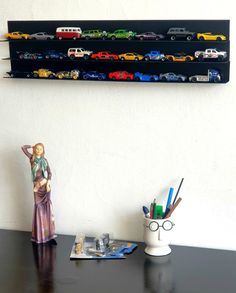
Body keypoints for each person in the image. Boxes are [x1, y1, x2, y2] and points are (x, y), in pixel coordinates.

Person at [22, 143, 57, 244]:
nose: (38, 150)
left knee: (46, 208)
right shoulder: (32, 158)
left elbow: (49, 173)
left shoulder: (44, 161)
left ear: (43, 150)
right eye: (36, 149)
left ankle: (48, 234)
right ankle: (39, 235)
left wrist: (48, 182)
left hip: (45, 187)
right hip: (37, 186)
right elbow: (23, 149)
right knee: (38, 206)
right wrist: (30, 146)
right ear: (34, 149)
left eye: (40, 149)